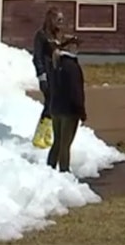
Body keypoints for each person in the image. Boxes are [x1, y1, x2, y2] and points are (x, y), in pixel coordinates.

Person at [47, 37, 87, 173]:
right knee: (65, 144)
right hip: (69, 110)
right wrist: (81, 111)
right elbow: (76, 92)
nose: (78, 48)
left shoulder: (55, 63)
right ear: (70, 47)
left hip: (56, 108)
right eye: (76, 45)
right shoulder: (72, 67)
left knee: (57, 142)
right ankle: (64, 172)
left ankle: (49, 168)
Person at [30, 7, 64, 149]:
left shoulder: (56, 35)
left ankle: (48, 133)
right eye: (59, 20)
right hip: (47, 74)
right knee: (49, 102)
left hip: (56, 74)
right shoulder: (41, 35)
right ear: (52, 19)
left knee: (55, 103)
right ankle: (39, 134)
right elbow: (37, 57)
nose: (61, 23)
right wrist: (41, 76)